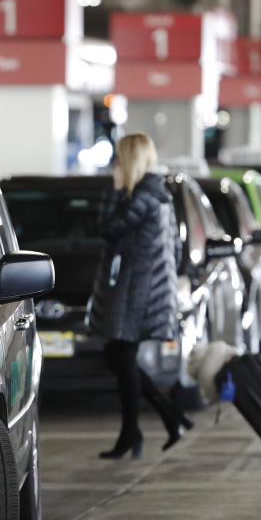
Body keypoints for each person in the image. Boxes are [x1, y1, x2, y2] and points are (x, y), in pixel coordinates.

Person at [88, 133, 193, 459]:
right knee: (120, 358)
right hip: (143, 290)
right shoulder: (156, 194)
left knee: (120, 357)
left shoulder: (142, 197)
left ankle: (138, 431)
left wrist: (116, 190)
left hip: (138, 293)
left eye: (119, 159)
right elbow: (175, 249)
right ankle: (160, 421)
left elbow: (107, 228)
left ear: (129, 161)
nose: (114, 165)